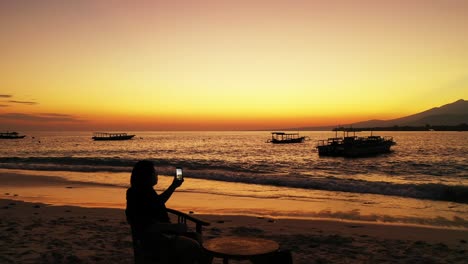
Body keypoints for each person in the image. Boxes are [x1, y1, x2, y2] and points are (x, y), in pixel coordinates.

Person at [126, 160, 204, 264]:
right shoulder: (137, 194)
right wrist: (173, 227)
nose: (156, 174)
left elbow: (158, 202)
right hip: (156, 241)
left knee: (198, 239)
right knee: (194, 246)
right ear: (147, 176)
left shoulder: (145, 191)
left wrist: (174, 185)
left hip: (162, 235)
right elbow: (146, 225)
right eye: (154, 172)